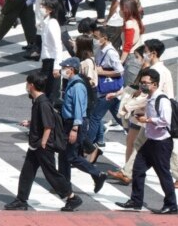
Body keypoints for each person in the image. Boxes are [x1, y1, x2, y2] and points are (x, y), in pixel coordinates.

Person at [4, 71, 83, 212]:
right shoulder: (38, 101)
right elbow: (43, 121)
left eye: (27, 83)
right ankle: (21, 200)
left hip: (43, 145)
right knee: (27, 173)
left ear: (32, 86)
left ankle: (72, 197)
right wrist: (30, 122)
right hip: (36, 144)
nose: (26, 85)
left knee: (51, 174)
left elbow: (48, 125)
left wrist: (43, 143)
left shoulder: (42, 103)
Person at [115, 69, 176, 214]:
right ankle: (136, 201)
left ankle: (171, 204)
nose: (142, 85)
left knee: (163, 174)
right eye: (141, 82)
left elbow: (165, 120)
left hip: (161, 143)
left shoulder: (162, 99)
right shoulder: (150, 97)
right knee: (137, 169)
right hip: (150, 141)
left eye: (145, 83)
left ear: (154, 84)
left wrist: (147, 120)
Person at [58, 57, 108, 192]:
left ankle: (98, 174)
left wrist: (75, 128)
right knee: (63, 154)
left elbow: (79, 108)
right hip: (68, 122)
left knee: (72, 156)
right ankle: (63, 184)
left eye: (65, 68)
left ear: (72, 69)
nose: (63, 70)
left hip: (75, 124)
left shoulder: (78, 86)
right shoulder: (71, 83)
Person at [86, 28, 124, 151]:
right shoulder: (101, 49)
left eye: (97, 37)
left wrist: (102, 71)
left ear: (105, 38)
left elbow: (120, 71)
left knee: (95, 117)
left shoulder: (111, 52)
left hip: (108, 90)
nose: (95, 40)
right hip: (108, 90)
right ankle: (136, 132)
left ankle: (87, 146)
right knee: (120, 116)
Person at [38, 0, 63, 104]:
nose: (41, 7)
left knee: (51, 94)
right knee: (45, 92)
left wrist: (57, 66)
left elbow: (58, 46)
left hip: (51, 63)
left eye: (43, 5)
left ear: (50, 9)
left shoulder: (52, 23)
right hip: (47, 62)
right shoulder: (46, 22)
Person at [117, 0, 144, 86]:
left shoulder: (129, 24)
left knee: (128, 86)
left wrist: (121, 61)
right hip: (137, 55)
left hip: (131, 57)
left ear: (126, 10)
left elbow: (128, 44)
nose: (119, 11)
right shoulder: (137, 20)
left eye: (121, 9)